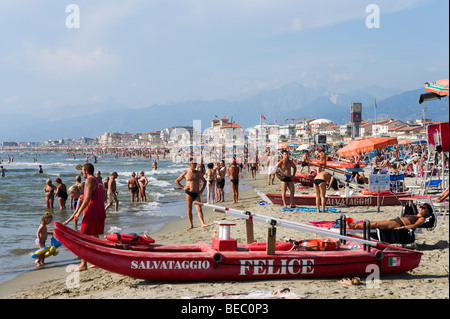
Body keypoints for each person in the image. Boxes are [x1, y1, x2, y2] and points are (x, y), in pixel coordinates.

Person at [72, 163, 106, 272]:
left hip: (91, 213)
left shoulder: (89, 180)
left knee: (83, 239)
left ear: (86, 171)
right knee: (95, 238)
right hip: (100, 212)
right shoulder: (99, 180)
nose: (82, 173)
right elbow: (102, 197)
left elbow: (87, 199)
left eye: (82, 171)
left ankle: (83, 264)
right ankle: (98, 262)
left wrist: (78, 213)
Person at [175, 160, 208, 230]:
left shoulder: (198, 173)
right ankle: (191, 224)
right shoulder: (186, 173)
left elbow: (205, 181)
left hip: (196, 193)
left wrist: (201, 190)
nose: (195, 165)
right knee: (189, 209)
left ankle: (202, 223)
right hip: (189, 193)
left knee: (199, 208)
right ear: (190, 164)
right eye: (194, 164)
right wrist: (183, 187)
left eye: (196, 163)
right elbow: (176, 181)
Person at [348, 203, 432, 230]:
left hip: (398, 224)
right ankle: (355, 224)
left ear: (427, 213)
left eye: (424, 208)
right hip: (396, 221)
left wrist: (402, 228)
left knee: (375, 224)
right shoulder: (415, 215)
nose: (421, 208)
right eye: (421, 207)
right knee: (373, 222)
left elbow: (414, 226)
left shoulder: (421, 218)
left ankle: (353, 226)